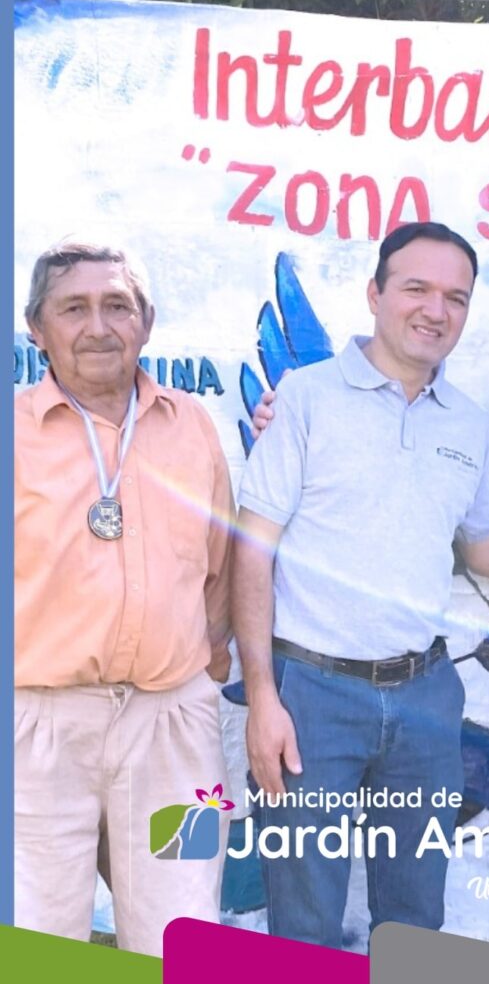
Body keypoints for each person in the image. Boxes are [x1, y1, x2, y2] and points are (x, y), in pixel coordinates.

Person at [232, 222, 489, 950]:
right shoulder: (306, 396)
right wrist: (262, 696)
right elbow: (252, 551)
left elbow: (483, 549)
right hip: (311, 697)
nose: (435, 309)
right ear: (374, 294)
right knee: (305, 924)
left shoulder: (471, 424)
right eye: (415, 288)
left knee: (416, 923)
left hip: (425, 697)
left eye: (455, 296)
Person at [15, 241, 235, 957]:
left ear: (147, 322)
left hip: (171, 724)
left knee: (182, 938)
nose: (98, 326)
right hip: (38, 729)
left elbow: (220, 567)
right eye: (73, 308)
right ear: (35, 328)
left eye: (117, 306)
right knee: (38, 941)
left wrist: (201, 680)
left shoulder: (192, 425)